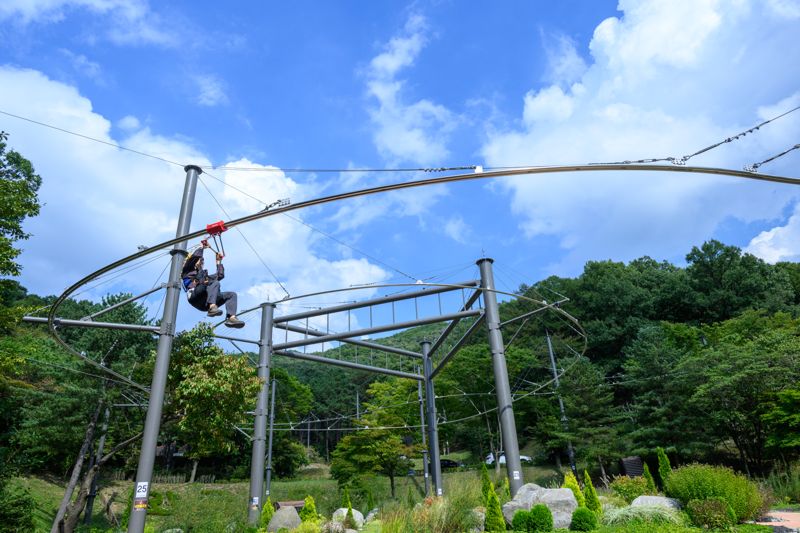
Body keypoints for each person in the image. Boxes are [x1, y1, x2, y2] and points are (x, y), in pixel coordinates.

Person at [181, 241, 244, 328]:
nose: (201, 263)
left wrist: (218, 262)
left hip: (204, 304)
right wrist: (201, 247)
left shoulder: (204, 275)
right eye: (201, 261)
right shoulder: (187, 272)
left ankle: (231, 318)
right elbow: (194, 259)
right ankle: (212, 307)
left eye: (202, 262)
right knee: (214, 283)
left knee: (231, 295)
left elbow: (220, 276)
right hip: (194, 297)